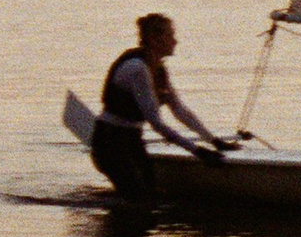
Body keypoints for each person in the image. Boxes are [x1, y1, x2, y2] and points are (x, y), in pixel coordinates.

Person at [89, 12, 228, 200]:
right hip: (109, 140)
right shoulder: (137, 69)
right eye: (170, 35)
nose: (175, 41)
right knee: (139, 198)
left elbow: (180, 111)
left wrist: (213, 141)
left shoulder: (159, 69)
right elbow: (156, 123)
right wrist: (196, 151)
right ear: (154, 39)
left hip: (132, 138)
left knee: (152, 194)